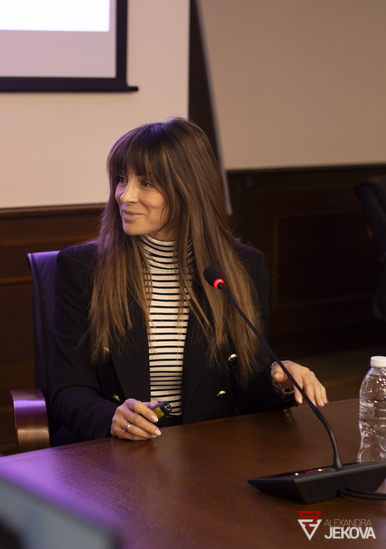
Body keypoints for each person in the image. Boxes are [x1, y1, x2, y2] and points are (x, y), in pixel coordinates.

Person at [50, 118, 327, 443]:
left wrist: (279, 378)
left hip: (209, 446)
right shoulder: (82, 268)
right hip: (116, 449)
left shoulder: (243, 267)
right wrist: (111, 417)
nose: (124, 196)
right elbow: (67, 390)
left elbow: (247, 385)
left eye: (146, 183)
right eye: (122, 179)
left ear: (188, 189)